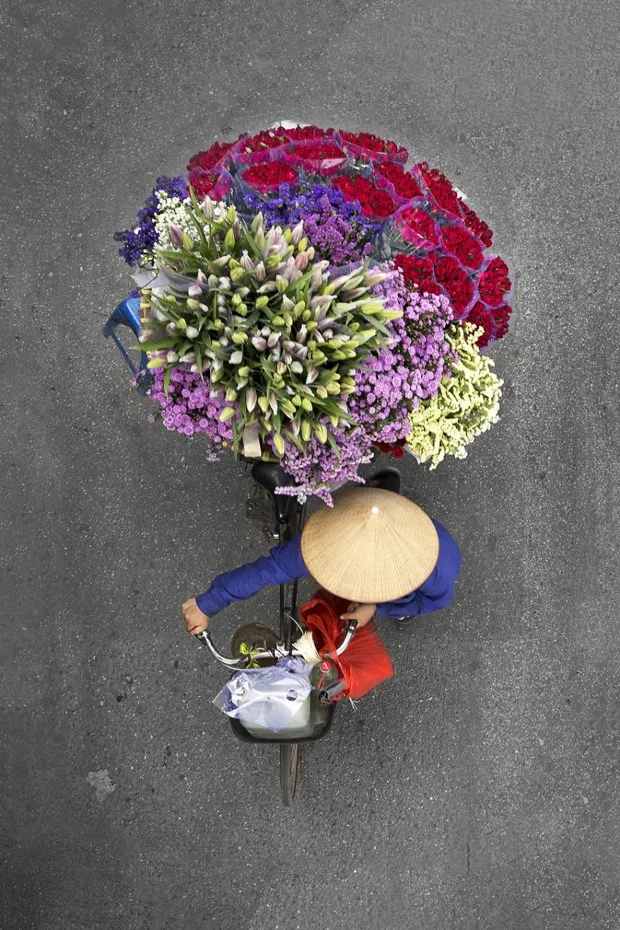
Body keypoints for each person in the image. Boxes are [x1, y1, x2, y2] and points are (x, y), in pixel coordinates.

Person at [182, 468, 462, 635]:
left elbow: (429, 603)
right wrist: (208, 603)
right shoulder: (322, 545)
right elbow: (267, 571)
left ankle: (380, 488)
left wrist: (379, 608)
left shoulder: (439, 565)